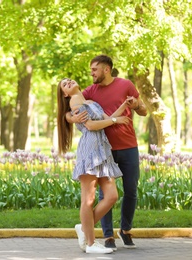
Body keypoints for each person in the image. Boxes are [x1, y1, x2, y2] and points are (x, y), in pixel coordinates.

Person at [66, 54, 147, 251]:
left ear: (106, 69)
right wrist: (71, 118)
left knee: (130, 191)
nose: (91, 73)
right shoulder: (90, 91)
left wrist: (134, 104)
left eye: (94, 69)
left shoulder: (125, 84)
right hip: (103, 150)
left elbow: (143, 110)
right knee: (104, 195)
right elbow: (71, 108)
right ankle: (107, 235)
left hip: (127, 145)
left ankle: (124, 229)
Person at [56, 78, 130, 254]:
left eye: (68, 80)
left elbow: (107, 117)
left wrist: (125, 105)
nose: (68, 82)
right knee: (88, 200)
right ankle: (90, 243)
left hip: (103, 150)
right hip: (90, 150)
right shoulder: (74, 101)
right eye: (64, 85)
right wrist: (115, 121)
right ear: (65, 94)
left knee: (111, 196)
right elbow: (90, 125)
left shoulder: (90, 102)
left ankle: (83, 228)